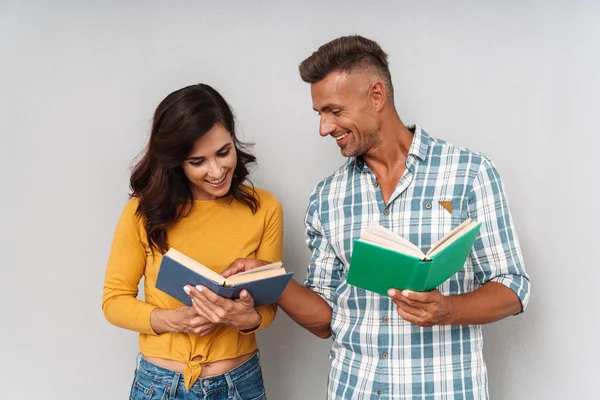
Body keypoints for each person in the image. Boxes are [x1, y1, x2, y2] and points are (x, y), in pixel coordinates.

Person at [223, 36, 530, 399]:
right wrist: (270, 279)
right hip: (355, 389)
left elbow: (512, 287)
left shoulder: (469, 173)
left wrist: (446, 309)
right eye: (320, 113)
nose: (324, 127)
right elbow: (325, 320)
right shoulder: (327, 196)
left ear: (377, 95)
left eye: (334, 111)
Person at [102, 83, 282, 400]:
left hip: (238, 382)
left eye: (224, 152)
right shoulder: (142, 213)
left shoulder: (264, 208)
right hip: (160, 384)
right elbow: (114, 301)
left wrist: (246, 318)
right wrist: (174, 320)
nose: (216, 171)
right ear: (176, 162)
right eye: (197, 161)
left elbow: (268, 307)